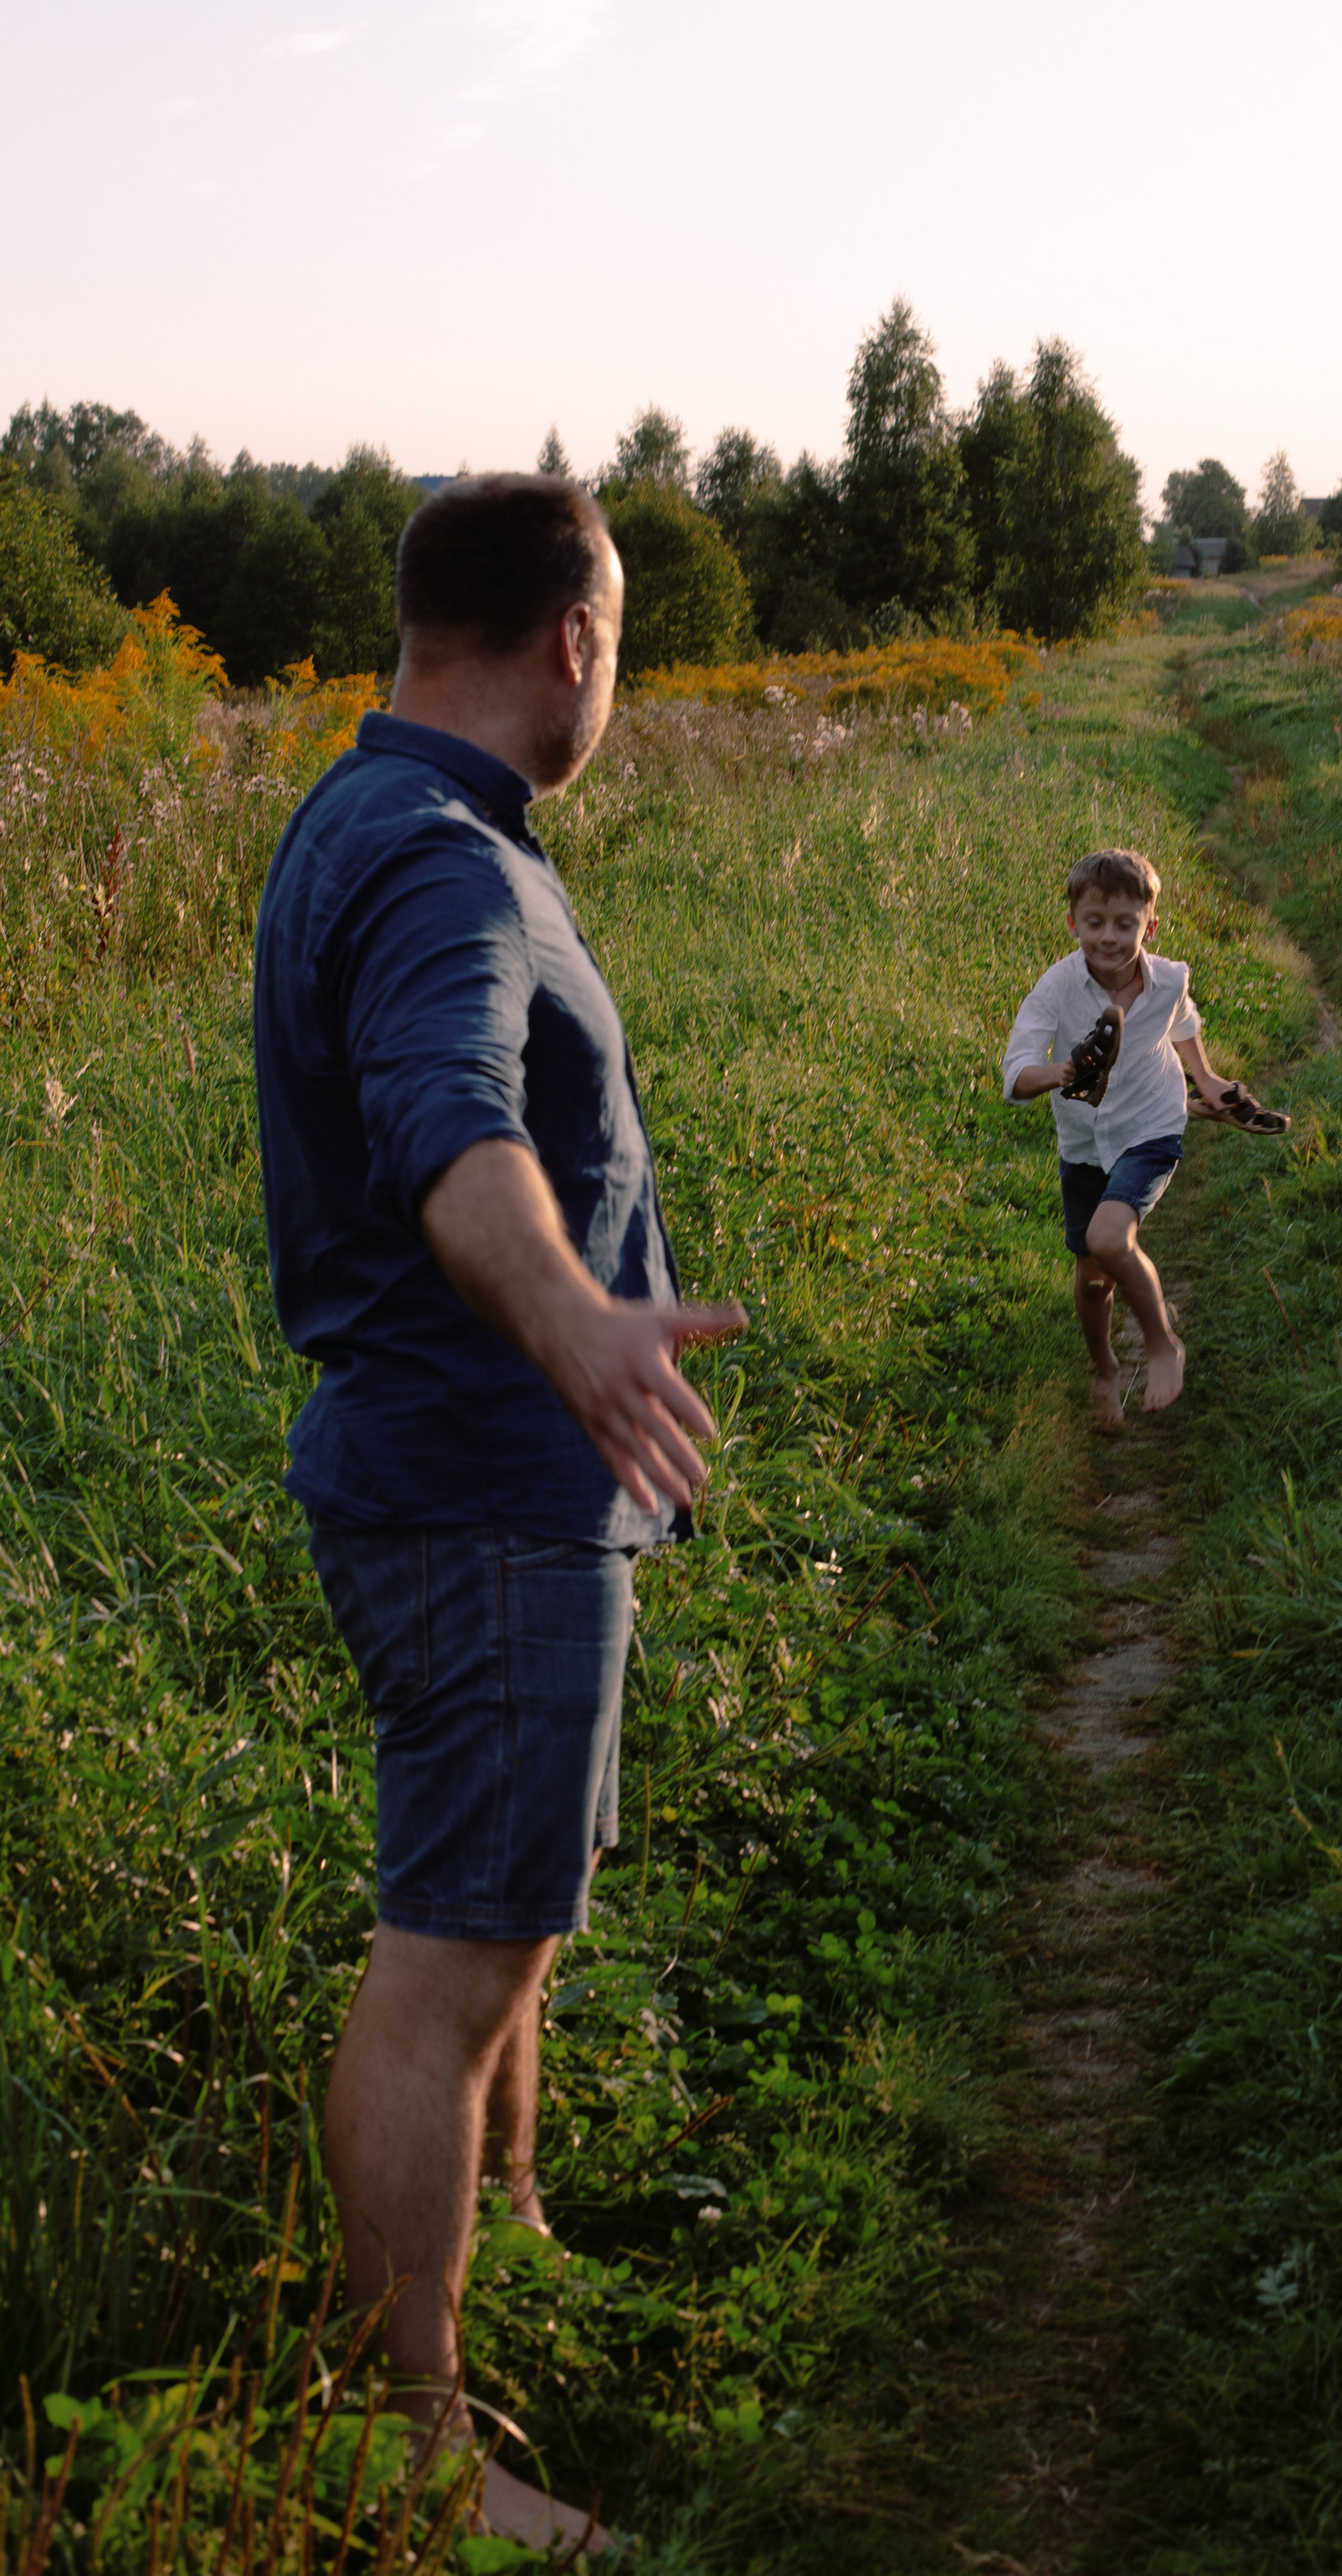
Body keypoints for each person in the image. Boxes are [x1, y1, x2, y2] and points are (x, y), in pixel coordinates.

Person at [252, 473, 744, 2547]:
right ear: (570, 636)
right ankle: (416, 2455)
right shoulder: (444, 866)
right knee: (451, 1953)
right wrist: (575, 1322)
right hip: (475, 1488)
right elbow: (446, 1116)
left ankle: (509, 2227)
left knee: (508, 1910)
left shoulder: (366, 821)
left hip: (486, 1482)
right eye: (618, 637)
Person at [1001, 846, 1287, 1426]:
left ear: (1149, 925)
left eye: (1125, 924)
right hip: (1083, 1144)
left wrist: (1208, 1083)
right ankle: (1104, 1367)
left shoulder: (1168, 980)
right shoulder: (1056, 988)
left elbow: (1181, 1022)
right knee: (1091, 1276)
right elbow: (1015, 1072)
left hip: (1153, 1127)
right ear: (1073, 923)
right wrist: (1063, 1073)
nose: (1110, 937)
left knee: (1109, 1238)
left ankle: (1161, 1342)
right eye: (1095, 923)